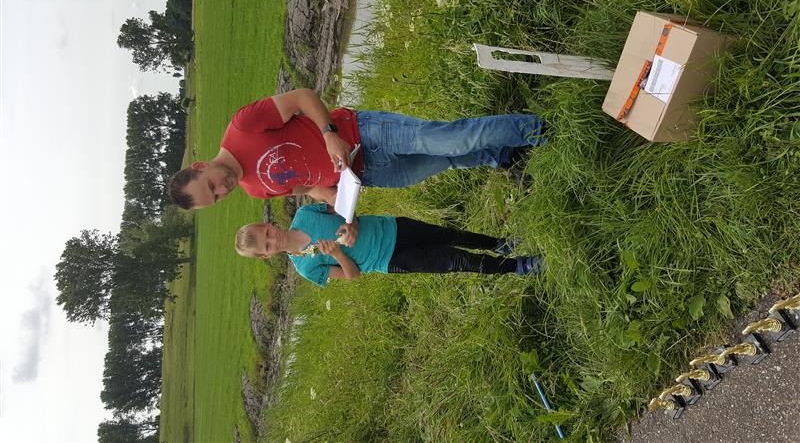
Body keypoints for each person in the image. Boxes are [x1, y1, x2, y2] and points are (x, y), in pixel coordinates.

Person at [168, 88, 546, 210]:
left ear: (200, 165)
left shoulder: (243, 127)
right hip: (368, 172)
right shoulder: (254, 189)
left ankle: (540, 130)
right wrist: (335, 200)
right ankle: (504, 155)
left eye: (212, 185)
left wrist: (329, 133)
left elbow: (302, 97)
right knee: (445, 159)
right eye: (216, 198)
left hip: (363, 132)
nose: (222, 189)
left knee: (452, 139)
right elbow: (304, 186)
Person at [234, 203, 545, 287]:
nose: (272, 240)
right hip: (389, 260)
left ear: (267, 225)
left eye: (267, 234)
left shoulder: (305, 213)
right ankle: (518, 266)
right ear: (265, 256)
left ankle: (501, 244)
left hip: (393, 227)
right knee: (456, 260)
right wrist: (338, 253)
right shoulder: (306, 267)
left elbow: (344, 205)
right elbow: (353, 275)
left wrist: (351, 222)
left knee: (452, 235)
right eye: (266, 246)